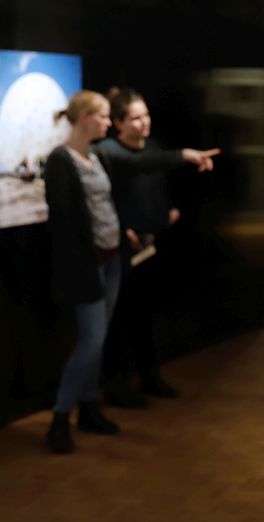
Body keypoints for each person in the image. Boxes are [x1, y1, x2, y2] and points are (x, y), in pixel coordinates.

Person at [43, 90, 218, 453]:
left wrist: (183, 155)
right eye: (104, 116)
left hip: (110, 260)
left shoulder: (96, 155)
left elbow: (141, 163)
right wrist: (84, 268)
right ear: (85, 118)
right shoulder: (62, 161)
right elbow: (63, 226)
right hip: (88, 266)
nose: (109, 123)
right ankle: (60, 419)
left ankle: (90, 408)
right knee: (90, 342)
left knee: (99, 339)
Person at [97, 87, 182, 408]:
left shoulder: (155, 148)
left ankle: (149, 377)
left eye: (145, 115)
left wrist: (168, 212)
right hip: (120, 249)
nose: (144, 122)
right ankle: (117, 385)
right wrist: (124, 231)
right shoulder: (107, 153)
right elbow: (103, 202)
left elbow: (159, 190)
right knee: (119, 318)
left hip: (152, 245)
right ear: (118, 122)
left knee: (145, 316)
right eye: (135, 118)